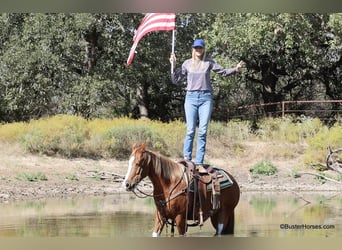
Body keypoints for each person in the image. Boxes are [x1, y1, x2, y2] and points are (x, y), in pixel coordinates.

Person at [169, 38, 243, 172]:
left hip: (205, 98)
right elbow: (175, 80)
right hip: (191, 98)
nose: (198, 50)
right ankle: (186, 159)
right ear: (193, 49)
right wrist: (172, 65)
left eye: (200, 48)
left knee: (202, 131)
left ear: (203, 49)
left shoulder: (209, 62)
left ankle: (199, 163)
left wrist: (236, 69)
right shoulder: (187, 63)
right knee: (191, 130)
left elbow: (223, 72)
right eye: (196, 48)